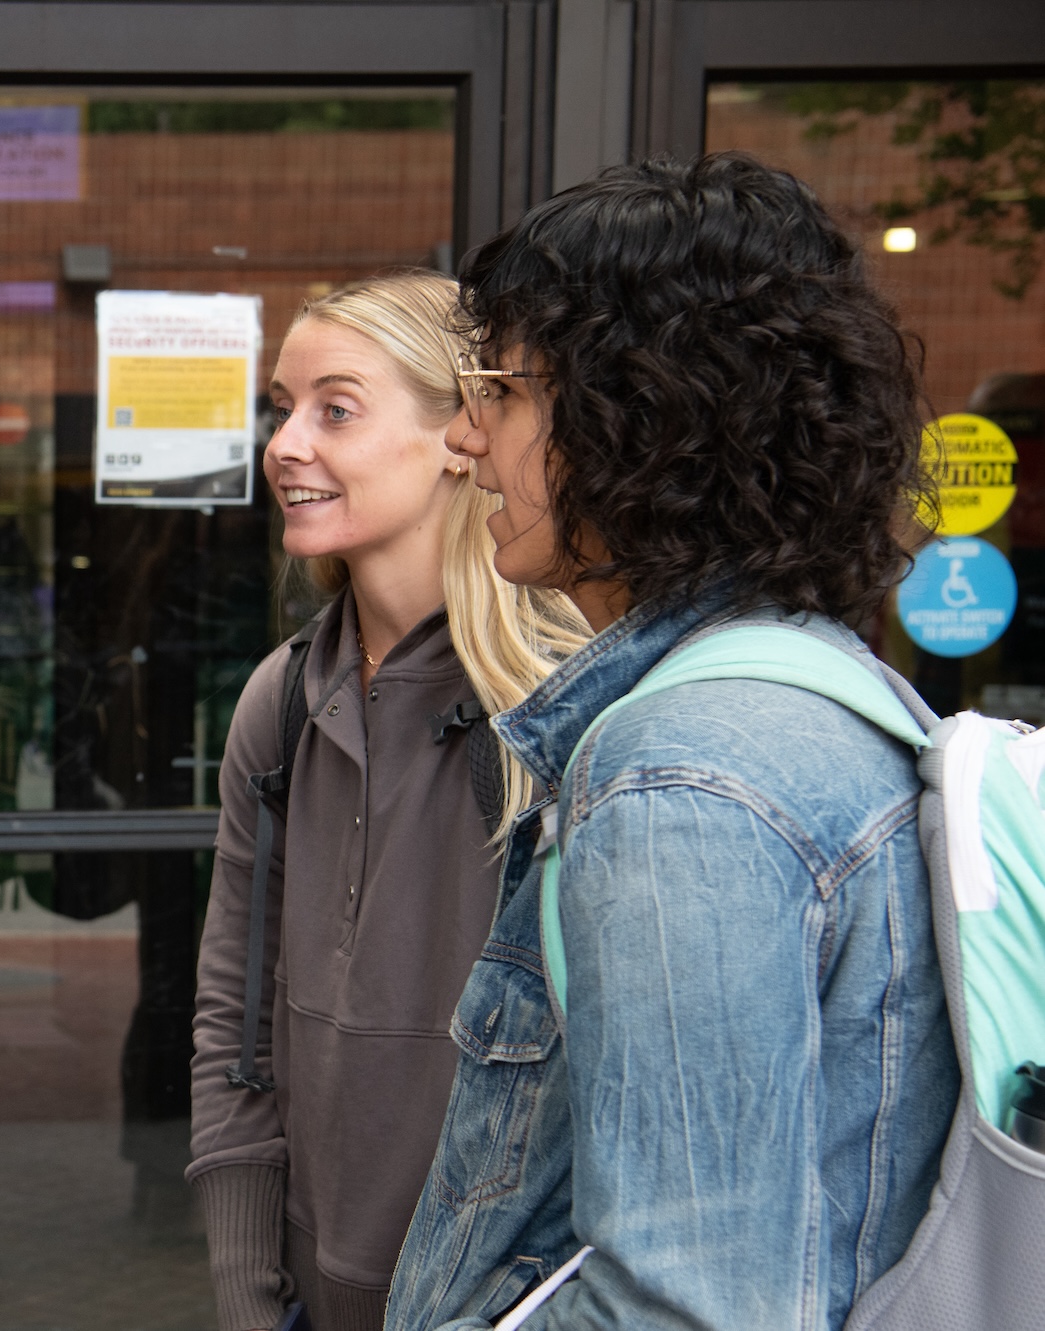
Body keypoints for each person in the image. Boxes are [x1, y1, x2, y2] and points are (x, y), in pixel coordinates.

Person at [385, 154, 955, 1330]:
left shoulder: (683, 775)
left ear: (635, 415)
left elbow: (681, 1310)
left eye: (498, 386)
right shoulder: (826, 692)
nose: (463, 439)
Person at [189, 273, 589, 1331]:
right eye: (282, 405)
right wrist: (244, 1293)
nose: (284, 443)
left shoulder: (564, 710)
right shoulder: (279, 702)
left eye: (335, 407)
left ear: (462, 432)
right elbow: (235, 1019)